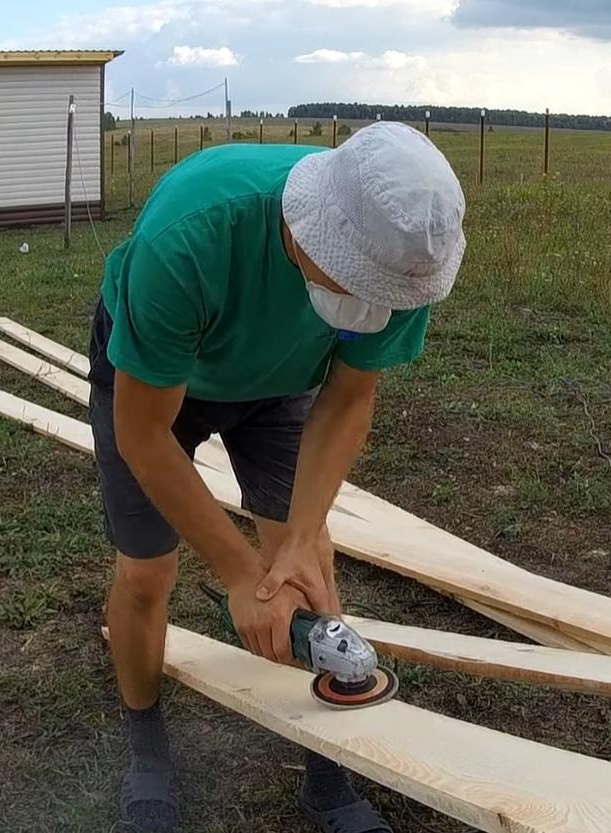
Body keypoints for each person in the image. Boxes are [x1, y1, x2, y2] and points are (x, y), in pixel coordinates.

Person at [87, 121, 466, 833]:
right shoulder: (191, 237)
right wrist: (238, 572)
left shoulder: (403, 251)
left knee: (311, 563)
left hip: (281, 377)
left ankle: (326, 770)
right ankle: (147, 743)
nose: (369, 304)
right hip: (154, 375)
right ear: (312, 232)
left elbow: (349, 397)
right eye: (356, 286)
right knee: (146, 573)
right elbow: (144, 433)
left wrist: (292, 544)